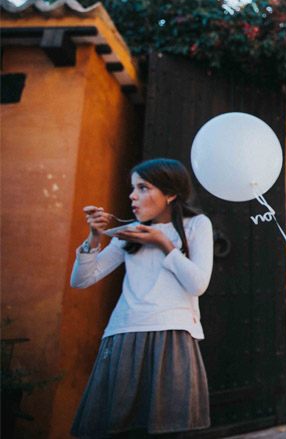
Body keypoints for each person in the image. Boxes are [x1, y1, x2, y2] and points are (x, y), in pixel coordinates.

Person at [70, 158, 214, 437]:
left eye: (143, 187)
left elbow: (198, 284)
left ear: (170, 193)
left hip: (172, 336)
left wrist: (163, 245)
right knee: (119, 430)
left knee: (169, 429)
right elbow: (81, 280)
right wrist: (94, 238)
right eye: (133, 188)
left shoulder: (197, 225)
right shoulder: (128, 233)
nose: (132, 196)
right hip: (124, 333)